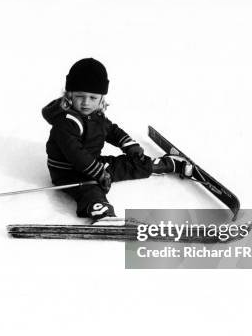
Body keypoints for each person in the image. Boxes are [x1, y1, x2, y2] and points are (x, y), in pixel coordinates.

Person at [42, 58, 193, 220]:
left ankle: (162, 165)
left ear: (101, 98)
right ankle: (101, 211)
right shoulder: (66, 121)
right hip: (68, 171)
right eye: (80, 96)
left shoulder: (95, 115)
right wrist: (99, 172)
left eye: (93, 98)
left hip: (92, 163)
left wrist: (129, 145)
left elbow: (111, 130)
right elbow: (75, 154)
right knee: (90, 187)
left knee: (127, 163)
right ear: (69, 95)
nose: (86, 102)